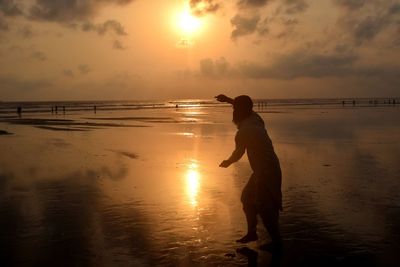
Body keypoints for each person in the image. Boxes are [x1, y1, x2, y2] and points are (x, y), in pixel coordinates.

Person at [215, 94, 283, 251]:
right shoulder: (255, 118)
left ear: (238, 111)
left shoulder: (244, 130)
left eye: (234, 108)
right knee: (247, 198)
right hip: (266, 169)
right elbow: (246, 108)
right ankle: (252, 233)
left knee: (266, 207)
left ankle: (277, 242)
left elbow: (239, 153)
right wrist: (229, 100)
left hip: (266, 171)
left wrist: (227, 162)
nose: (233, 111)